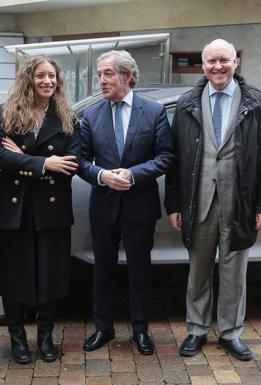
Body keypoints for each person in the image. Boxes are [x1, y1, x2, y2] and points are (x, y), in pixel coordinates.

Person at [165, 38, 261, 361]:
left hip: (239, 204)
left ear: (236, 62)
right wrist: (173, 205)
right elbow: (174, 159)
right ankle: (197, 329)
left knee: (234, 274)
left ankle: (231, 333)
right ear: (203, 66)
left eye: (224, 61)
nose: (218, 67)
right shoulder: (187, 103)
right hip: (197, 203)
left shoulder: (256, 102)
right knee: (198, 271)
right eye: (212, 61)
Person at [78, 50, 175, 355]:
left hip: (139, 205)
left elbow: (166, 156)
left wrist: (133, 175)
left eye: (107, 73)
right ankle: (103, 328)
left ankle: (141, 329)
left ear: (128, 76)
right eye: (99, 74)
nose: (101, 80)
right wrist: (102, 175)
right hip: (104, 205)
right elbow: (80, 161)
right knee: (102, 270)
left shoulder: (154, 111)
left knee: (140, 270)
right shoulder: (92, 114)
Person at [0, 55, 81, 364]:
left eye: (52, 76)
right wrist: (44, 163)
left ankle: (45, 336)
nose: (48, 81)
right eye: (41, 75)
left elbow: (71, 163)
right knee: (14, 274)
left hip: (51, 210)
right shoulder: (7, 113)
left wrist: (25, 160)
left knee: (49, 274)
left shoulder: (67, 116)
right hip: (15, 208)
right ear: (28, 79)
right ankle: (17, 337)